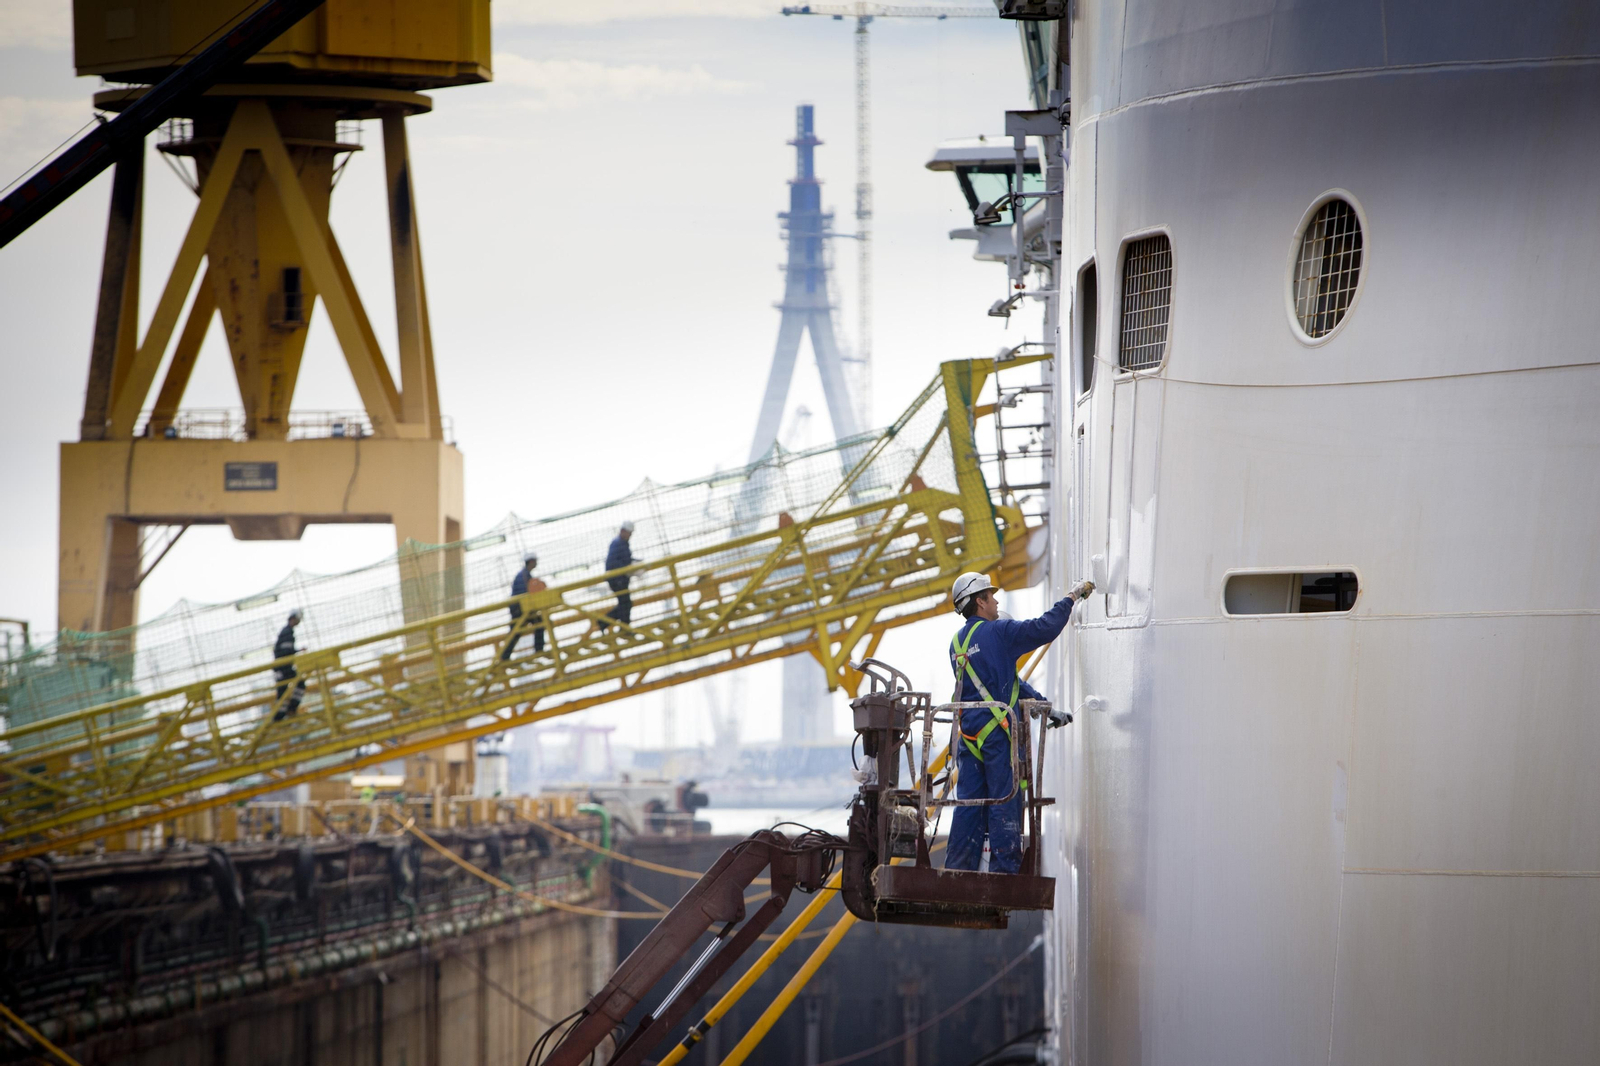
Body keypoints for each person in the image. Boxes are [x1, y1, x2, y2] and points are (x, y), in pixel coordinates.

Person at [944, 573, 1093, 873]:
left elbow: (1009, 683)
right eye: (991, 595)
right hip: (997, 737)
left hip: (969, 738)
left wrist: (1046, 709)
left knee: (968, 806)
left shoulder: (956, 644)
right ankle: (1003, 873)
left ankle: (958, 870)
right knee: (1005, 799)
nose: (996, 600)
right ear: (980, 602)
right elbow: (1044, 628)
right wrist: (1071, 598)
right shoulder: (998, 633)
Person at [500, 553, 548, 661]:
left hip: (521, 608)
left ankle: (505, 655)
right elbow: (527, 593)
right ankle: (538, 649)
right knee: (535, 625)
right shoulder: (524, 576)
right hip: (520, 609)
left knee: (517, 632)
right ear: (531, 562)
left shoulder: (524, 575)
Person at [598, 521, 636, 631]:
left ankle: (618, 625)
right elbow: (614, 563)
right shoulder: (619, 543)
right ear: (623, 531)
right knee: (625, 603)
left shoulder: (620, 543)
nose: (630, 536)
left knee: (625, 603)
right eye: (629, 533)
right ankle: (606, 622)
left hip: (619, 579)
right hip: (617, 579)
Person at [272, 611, 306, 721]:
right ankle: (283, 714)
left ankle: (282, 714)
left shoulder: (287, 631)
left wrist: (296, 651)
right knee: (290, 689)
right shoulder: (287, 632)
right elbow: (285, 651)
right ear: (293, 619)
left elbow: (285, 650)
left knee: (284, 692)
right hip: (283, 667)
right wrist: (297, 651)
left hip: (283, 667)